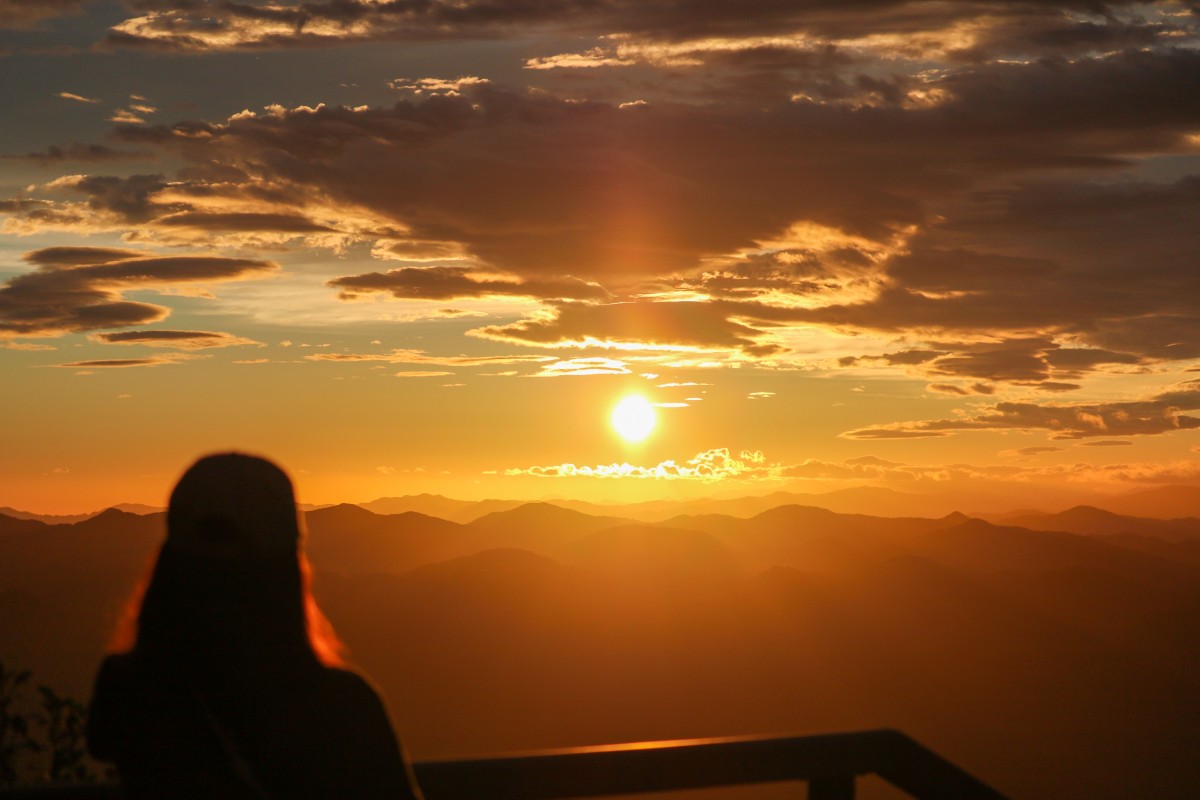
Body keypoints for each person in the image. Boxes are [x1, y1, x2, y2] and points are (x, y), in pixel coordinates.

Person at [87, 453, 424, 799]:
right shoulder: (345, 705)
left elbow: (101, 744)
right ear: (290, 570)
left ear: (169, 563)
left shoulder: (127, 689)